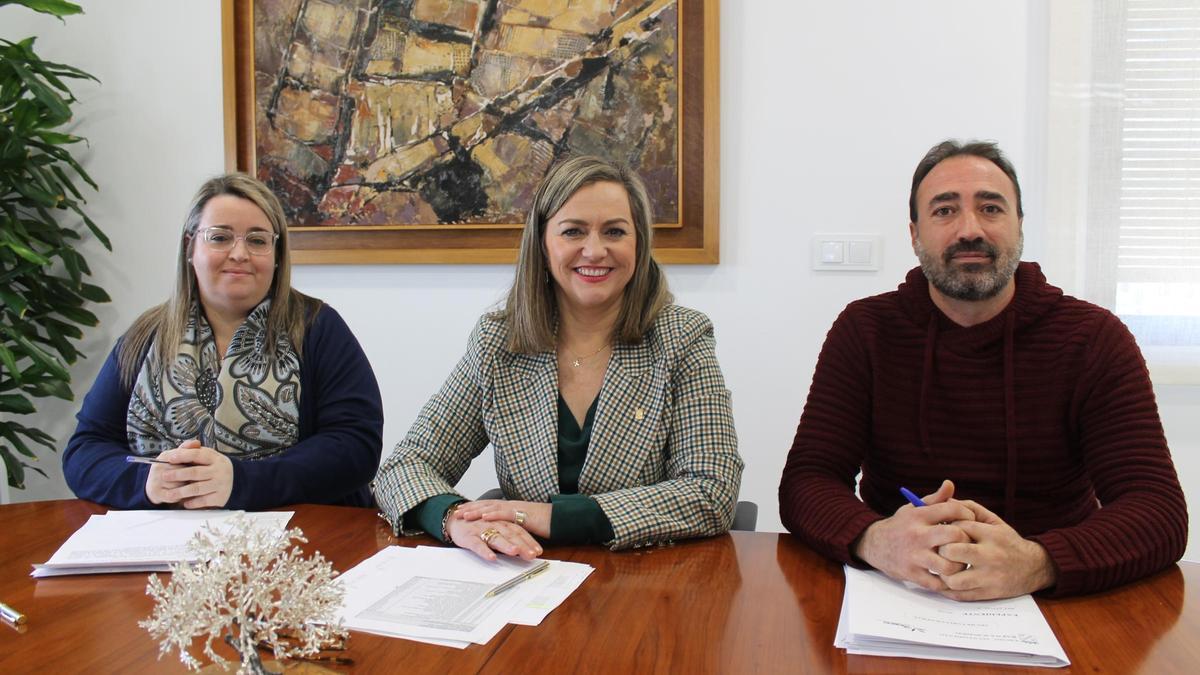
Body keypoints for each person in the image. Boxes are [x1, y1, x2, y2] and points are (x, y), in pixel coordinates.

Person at [779, 140, 1188, 600]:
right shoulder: (865, 330)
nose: (969, 230)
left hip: (1052, 601)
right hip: (900, 590)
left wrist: (1038, 562)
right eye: (944, 211)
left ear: (1019, 227)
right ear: (914, 234)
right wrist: (876, 539)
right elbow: (806, 481)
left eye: (991, 208)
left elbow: (1158, 511)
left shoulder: (1093, 338)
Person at [372, 156, 742, 561]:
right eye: (573, 231)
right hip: (524, 576)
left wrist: (555, 517)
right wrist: (453, 517)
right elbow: (405, 466)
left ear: (638, 244)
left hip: (645, 579)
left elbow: (712, 489)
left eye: (615, 231)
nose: (596, 250)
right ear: (544, 244)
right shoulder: (499, 342)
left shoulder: (680, 338)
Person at [64, 173, 383, 510]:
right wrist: (147, 482)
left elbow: (356, 447)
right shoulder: (145, 335)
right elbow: (85, 450)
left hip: (299, 537)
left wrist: (241, 480)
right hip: (163, 539)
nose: (239, 253)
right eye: (220, 238)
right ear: (191, 247)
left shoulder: (318, 328)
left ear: (276, 255)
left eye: (258, 241)